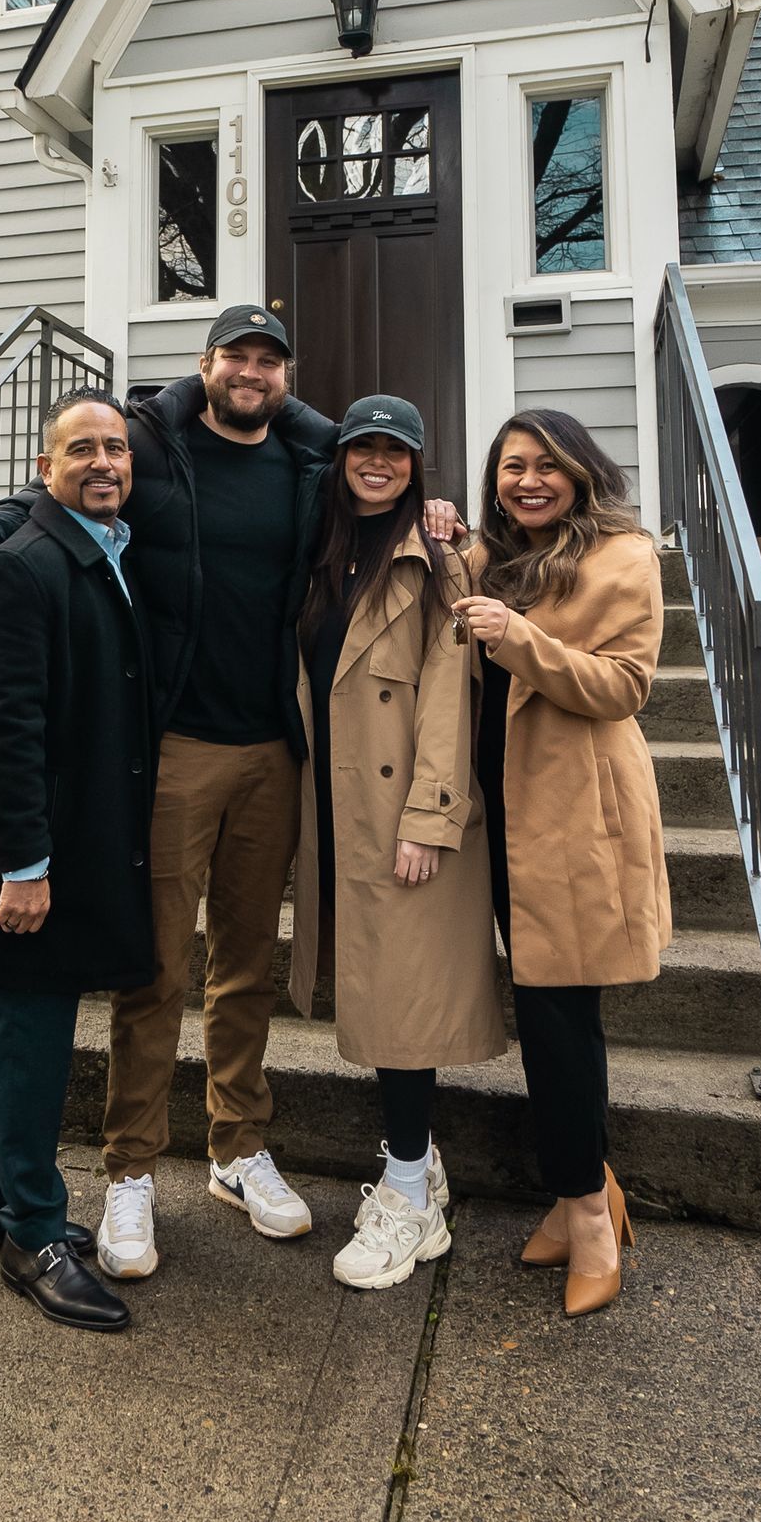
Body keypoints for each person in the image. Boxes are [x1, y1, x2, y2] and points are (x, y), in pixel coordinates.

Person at [0, 307, 465, 1282]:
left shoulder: (311, 465)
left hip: (274, 748)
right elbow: (52, 490)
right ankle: (132, 1168)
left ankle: (237, 1147)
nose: (252, 372)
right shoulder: (149, 441)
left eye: (269, 358)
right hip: (174, 748)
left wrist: (438, 510)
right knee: (155, 966)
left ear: (285, 373)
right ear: (207, 364)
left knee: (245, 963)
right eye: (237, 356)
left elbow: (379, 493)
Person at [0, 391, 155, 1331]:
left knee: (12, 1030)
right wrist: (23, 865)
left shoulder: (103, 549)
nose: (103, 461)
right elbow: (0, 731)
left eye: (115, 446)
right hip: (25, 851)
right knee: (29, 1034)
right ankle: (34, 1231)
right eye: (81, 449)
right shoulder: (22, 571)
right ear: (45, 468)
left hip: (70, 836)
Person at [454, 410, 669, 1319]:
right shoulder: (491, 558)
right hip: (496, 815)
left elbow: (624, 685)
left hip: (576, 813)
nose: (528, 481)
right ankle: (583, 1188)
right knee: (543, 1009)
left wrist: (516, 637)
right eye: (512, 467)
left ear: (581, 472)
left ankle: (587, 1209)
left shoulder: (623, 557)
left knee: (559, 1013)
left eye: (547, 465)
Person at [288, 396, 506, 1291]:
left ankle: (411, 1192)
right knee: (380, 991)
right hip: (335, 804)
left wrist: (431, 816)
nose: (377, 462)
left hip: (406, 813)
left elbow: (455, 690)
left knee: (403, 1003)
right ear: (339, 456)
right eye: (361, 447)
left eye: (396, 451)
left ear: (420, 464)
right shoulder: (320, 548)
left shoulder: (444, 553)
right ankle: (415, 1168)